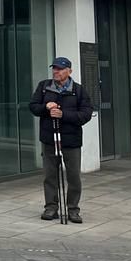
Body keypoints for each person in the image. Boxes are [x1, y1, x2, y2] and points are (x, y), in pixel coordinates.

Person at [28, 56, 94, 224]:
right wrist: (45, 107)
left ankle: (73, 209)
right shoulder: (44, 87)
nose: (56, 72)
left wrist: (64, 115)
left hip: (71, 140)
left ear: (69, 71)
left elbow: (86, 114)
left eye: (60, 69)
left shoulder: (78, 90)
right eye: (54, 68)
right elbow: (33, 107)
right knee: (50, 175)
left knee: (73, 176)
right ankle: (51, 207)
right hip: (49, 138)